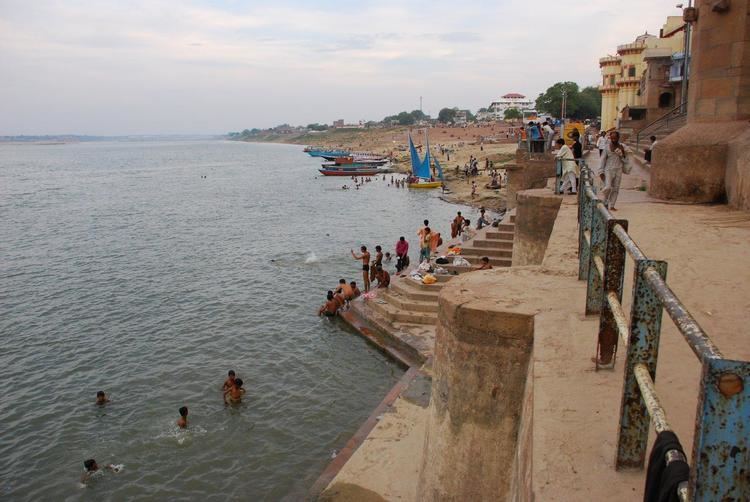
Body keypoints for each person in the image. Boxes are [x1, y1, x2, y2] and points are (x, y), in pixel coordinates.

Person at [600, 131, 627, 211]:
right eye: (612, 138)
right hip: (608, 169)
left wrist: (622, 154)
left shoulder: (622, 146)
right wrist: (601, 171)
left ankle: (612, 205)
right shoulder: (607, 147)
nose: (613, 139)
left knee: (616, 188)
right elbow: (602, 159)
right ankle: (604, 202)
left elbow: (626, 160)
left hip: (618, 169)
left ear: (618, 138)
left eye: (615, 138)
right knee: (608, 187)